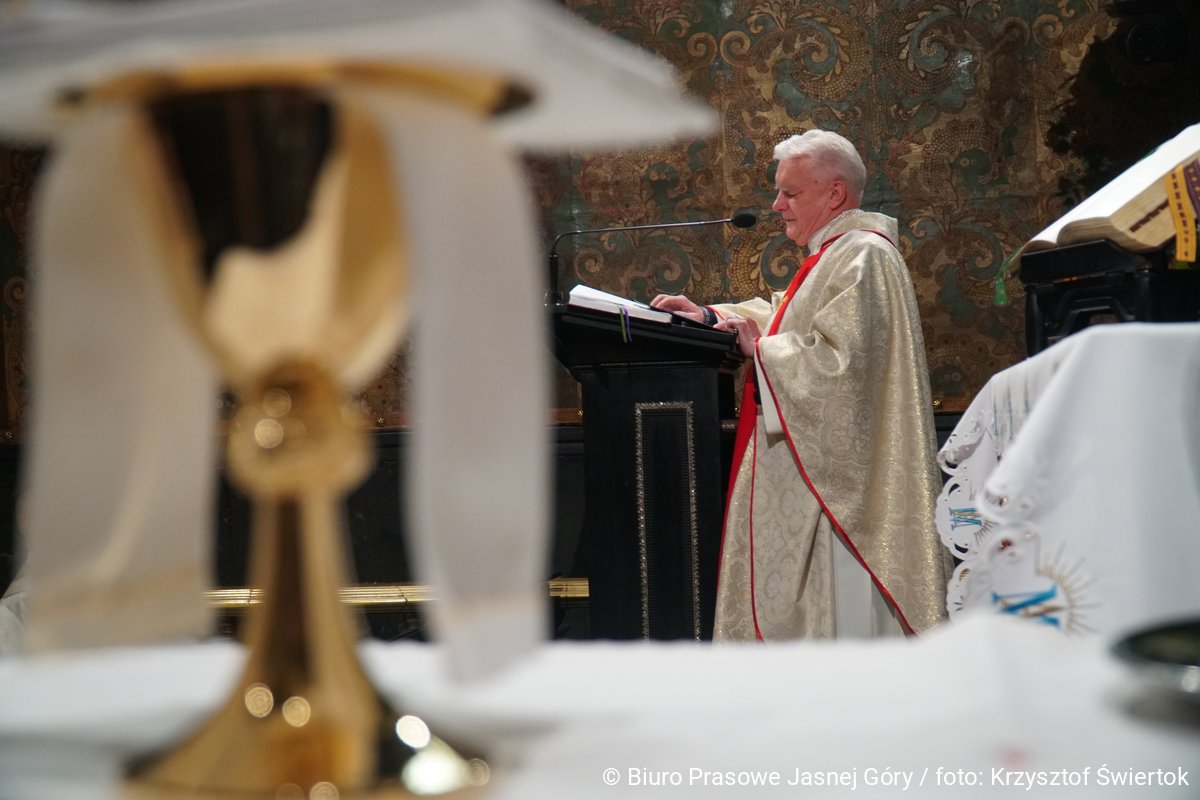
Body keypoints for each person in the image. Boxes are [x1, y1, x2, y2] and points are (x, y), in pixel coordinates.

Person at [651, 130, 949, 640]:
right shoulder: (837, 254)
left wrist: (763, 351)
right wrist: (709, 317)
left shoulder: (864, 255)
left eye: (790, 193)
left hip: (837, 501)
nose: (777, 205)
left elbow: (842, 367)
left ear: (835, 193)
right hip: (816, 486)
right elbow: (787, 319)